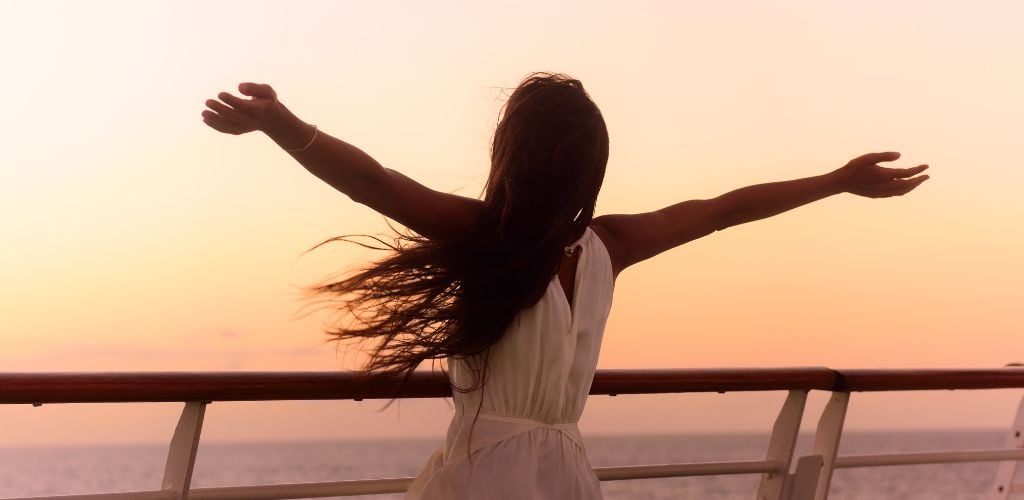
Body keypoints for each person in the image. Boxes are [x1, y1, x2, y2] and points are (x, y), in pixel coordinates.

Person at [202, 72, 929, 499]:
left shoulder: (486, 234)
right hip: (565, 470)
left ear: (510, 155)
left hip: (487, 474)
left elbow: (372, 184)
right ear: (591, 167)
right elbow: (721, 211)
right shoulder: (610, 244)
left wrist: (282, 125)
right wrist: (835, 182)